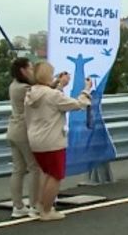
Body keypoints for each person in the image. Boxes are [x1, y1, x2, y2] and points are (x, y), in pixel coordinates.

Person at [24, 61, 92, 221]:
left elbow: (49, 100)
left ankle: (39, 205)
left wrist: (58, 85)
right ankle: (47, 210)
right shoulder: (52, 95)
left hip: (35, 138)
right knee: (55, 175)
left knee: (46, 172)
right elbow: (78, 104)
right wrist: (86, 90)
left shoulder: (30, 93)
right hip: (52, 139)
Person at [6, 58, 43, 218]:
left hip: (13, 129)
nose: (32, 71)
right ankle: (34, 205)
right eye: (30, 68)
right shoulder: (25, 88)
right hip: (24, 130)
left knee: (18, 169)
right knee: (34, 168)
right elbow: (41, 98)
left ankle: (18, 205)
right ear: (23, 70)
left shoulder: (13, 85)